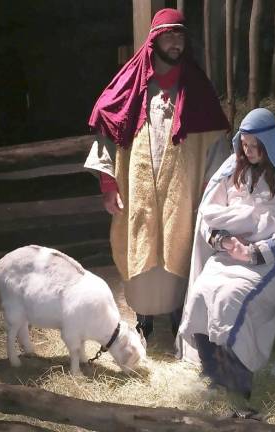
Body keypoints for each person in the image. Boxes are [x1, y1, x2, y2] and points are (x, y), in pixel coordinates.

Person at [84, 8, 230, 340]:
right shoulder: (131, 86)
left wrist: (210, 189)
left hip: (181, 191)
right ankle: (144, 318)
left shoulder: (197, 89)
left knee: (179, 246)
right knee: (140, 245)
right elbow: (107, 127)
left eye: (180, 36)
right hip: (138, 192)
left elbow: (215, 145)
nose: (175, 42)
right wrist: (108, 183)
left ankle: (179, 314)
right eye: (169, 36)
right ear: (154, 40)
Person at [177, 108, 275, 398]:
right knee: (202, 292)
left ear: (270, 145)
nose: (249, 151)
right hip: (230, 254)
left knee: (232, 299)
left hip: (272, 261)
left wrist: (253, 252)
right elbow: (208, 216)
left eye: (256, 146)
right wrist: (223, 242)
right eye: (244, 145)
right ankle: (213, 371)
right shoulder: (233, 170)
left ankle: (237, 379)